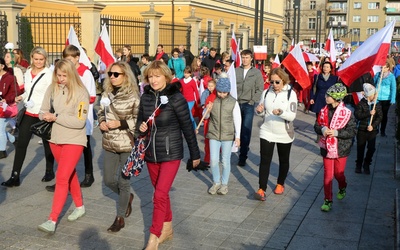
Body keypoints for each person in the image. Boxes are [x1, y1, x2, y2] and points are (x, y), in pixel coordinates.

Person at [136, 60, 200, 249]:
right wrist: (141, 128)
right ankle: (168, 227)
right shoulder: (146, 97)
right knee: (161, 194)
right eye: (150, 77)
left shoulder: (176, 98)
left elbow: (187, 126)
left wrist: (195, 154)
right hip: (151, 153)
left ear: (166, 76)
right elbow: (140, 121)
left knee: (159, 194)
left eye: (157, 76)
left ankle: (153, 237)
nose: (153, 80)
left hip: (171, 152)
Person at [37, 59, 89, 234]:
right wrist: (44, 115)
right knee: (69, 173)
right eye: (58, 75)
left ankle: (52, 219)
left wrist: (56, 117)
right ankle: (80, 206)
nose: (60, 79)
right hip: (54, 139)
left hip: (74, 140)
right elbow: (42, 110)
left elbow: (80, 122)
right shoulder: (52, 88)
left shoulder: (81, 92)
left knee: (61, 177)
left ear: (71, 74)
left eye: (64, 75)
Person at [1, 46, 55, 187]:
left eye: (41, 59)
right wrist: (22, 96)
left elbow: (50, 95)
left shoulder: (49, 74)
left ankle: (49, 170)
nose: (38, 62)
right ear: (32, 58)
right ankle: (15, 175)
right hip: (29, 112)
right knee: (21, 144)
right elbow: (28, 91)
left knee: (47, 144)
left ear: (45, 59)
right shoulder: (29, 71)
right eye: (36, 59)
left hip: (42, 113)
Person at [98, 61, 140, 232]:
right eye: (110, 74)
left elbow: (138, 120)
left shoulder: (133, 96)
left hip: (126, 143)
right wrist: (101, 121)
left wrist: (121, 123)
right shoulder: (107, 93)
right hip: (109, 142)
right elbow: (101, 111)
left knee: (123, 182)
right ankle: (127, 197)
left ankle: (120, 217)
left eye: (117, 74)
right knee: (108, 180)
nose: (113, 77)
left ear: (126, 76)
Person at [54, 45, 96, 189]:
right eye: (66, 59)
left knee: (85, 146)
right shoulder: (64, 73)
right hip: (65, 115)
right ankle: (63, 178)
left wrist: (75, 101)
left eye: (70, 59)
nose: (68, 61)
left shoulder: (85, 73)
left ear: (77, 58)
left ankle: (89, 175)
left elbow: (91, 96)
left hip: (80, 115)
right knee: (64, 148)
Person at [254, 68, 298, 201]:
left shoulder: (291, 94)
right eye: (271, 81)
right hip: (267, 130)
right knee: (264, 160)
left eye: (277, 82)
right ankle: (262, 189)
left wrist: (281, 113)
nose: (274, 85)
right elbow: (262, 112)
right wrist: (259, 111)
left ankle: (280, 183)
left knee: (283, 160)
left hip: (284, 132)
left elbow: (292, 115)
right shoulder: (266, 92)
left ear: (283, 81)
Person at [314, 83, 356, 212]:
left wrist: (337, 133)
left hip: (341, 148)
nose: (326, 97)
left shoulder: (347, 113)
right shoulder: (323, 111)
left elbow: (352, 131)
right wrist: (322, 129)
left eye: (329, 95)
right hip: (326, 147)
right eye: (327, 95)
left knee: (338, 174)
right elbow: (316, 126)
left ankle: (342, 186)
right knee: (328, 174)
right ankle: (328, 200)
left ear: (336, 98)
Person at [205, 74, 241, 195]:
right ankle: (216, 182)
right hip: (214, 133)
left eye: (224, 92)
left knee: (225, 161)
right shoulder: (212, 99)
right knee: (214, 160)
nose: (221, 94)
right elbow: (206, 116)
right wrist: (207, 110)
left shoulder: (233, 102)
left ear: (228, 91)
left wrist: (238, 136)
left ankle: (224, 184)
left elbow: (237, 119)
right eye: (219, 92)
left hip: (227, 135)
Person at [235, 49, 264, 167]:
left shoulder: (256, 73)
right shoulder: (236, 71)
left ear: (251, 59)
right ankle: (233, 149)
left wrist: (253, 101)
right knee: (235, 129)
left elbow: (260, 88)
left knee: (246, 130)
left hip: (248, 104)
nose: (244, 60)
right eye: (243, 57)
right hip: (236, 103)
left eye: (247, 57)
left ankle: (243, 156)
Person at [354, 83, 383, 174]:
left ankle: (367, 163)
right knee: (360, 148)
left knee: (371, 148)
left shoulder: (377, 104)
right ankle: (358, 165)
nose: (375, 95)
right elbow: (358, 115)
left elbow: (380, 117)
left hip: (372, 131)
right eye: (373, 94)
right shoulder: (361, 103)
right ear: (369, 95)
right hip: (362, 130)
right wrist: (368, 113)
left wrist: (373, 126)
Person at [0, 58, 17, 159]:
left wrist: (7, 99)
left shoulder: (10, 78)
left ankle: (2, 151)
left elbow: (15, 92)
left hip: (4, 107)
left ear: (2, 66)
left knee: (0, 129)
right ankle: (14, 139)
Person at [375, 61, 396, 137]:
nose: (382, 68)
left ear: (388, 68)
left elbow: (393, 88)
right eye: (381, 67)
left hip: (386, 98)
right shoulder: (378, 75)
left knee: (384, 115)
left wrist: (393, 99)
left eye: (384, 67)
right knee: (376, 114)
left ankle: (382, 131)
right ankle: (375, 129)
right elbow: (373, 84)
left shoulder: (391, 77)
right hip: (377, 98)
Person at [199, 79, 217, 166]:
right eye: (208, 86)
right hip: (208, 122)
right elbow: (205, 112)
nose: (210, 88)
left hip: (215, 123)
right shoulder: (207, 95)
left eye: (212, 86)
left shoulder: (217, 96)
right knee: (208, 141)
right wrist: (206, 110)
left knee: (214, 141)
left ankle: (213, 158)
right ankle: (207, 159)